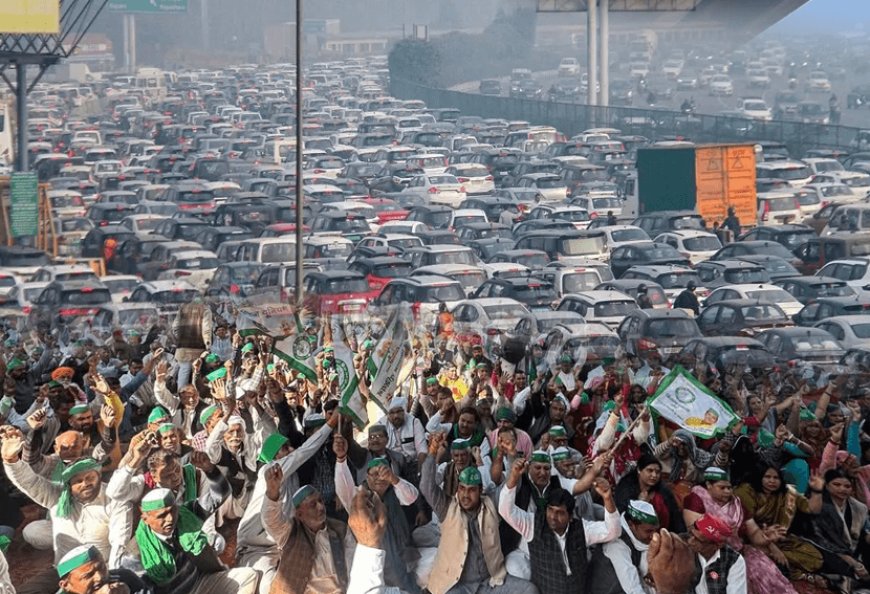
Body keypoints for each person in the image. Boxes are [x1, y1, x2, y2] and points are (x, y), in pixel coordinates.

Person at [419, 432, 537, 594]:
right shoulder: (446, 506)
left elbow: (510, 487)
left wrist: (511, 454)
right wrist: (432, 451)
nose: (466, 495)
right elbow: (426, 486)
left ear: (481, 490)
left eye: (472, 490)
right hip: (456, 585)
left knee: (529, 590)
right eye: (462, 489)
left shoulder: (491, 502)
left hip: (490, 581)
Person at [498, 457, 620, 593]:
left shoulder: (581, 529)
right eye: (550, 510)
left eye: (560, 513)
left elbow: (613, 531)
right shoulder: (533, 525)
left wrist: (608, 498)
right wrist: (514, 477)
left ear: (570, 517)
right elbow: (505, 510)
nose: (553, 517)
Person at [683, 467, 798, 594]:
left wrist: (765, 537)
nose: (727, 492)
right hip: (709, 554)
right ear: (709, 485)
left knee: (766, 576)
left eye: (729, 488)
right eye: (722, 488)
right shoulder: (695, 499)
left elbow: (753, 533)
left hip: (739, 552)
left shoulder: (737, 504)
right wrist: (724, 531)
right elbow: (698, 531)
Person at [134, 488, 259, 594]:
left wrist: (210, 470)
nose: (170, 518)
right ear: (145, 519)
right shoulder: (137, 553)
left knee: (248, 576)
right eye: (162, 515)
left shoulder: (186, 516)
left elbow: (221, 492)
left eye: (173, 510)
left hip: (201, 583)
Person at [587, 500, 660, 594]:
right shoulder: (616, 544)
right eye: (648, 531)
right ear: (631, 525)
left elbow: (647, 578)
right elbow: (632, 587)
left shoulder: (641, 539)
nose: (653, 535)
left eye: (655, 530)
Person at [686, 513, 747, 594]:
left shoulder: (733, 561)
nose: (690, 541)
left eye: (698, 540)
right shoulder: (682, 548)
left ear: (718, 545)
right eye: (691, 534)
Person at [56, 544, 151, 594]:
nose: (99, 577)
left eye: (102, 568)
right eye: (88, 575)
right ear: (65, 585)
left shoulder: (126, 577)